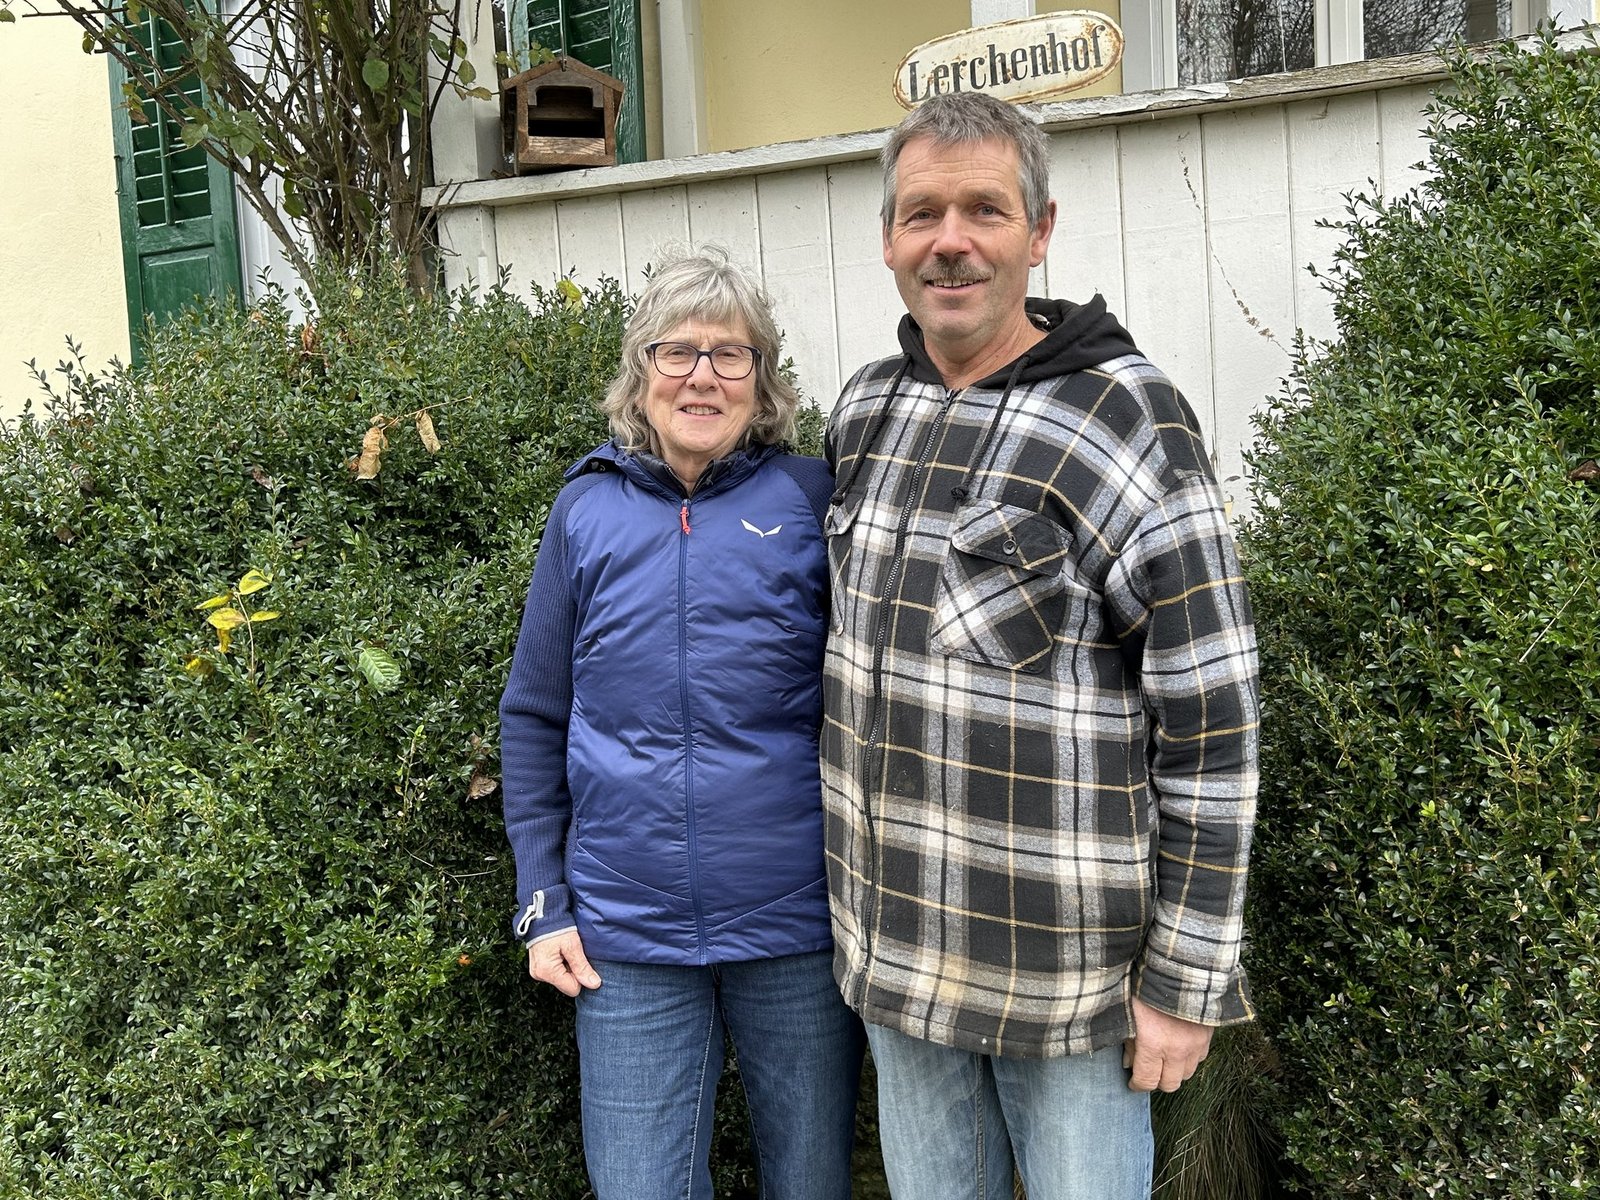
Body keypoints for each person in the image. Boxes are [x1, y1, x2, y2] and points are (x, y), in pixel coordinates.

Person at [820, 92, 1260, 1199]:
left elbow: (1212, 721)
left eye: (985, 209)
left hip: (1069, 986)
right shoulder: (866, 413)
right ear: (887, 240)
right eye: (922, 213)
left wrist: (1184, 980)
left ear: (1041, 230)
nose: (950, 241)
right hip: (897, 962)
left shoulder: (1125, 420)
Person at [499, 245, 863, 1200]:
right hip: (625, 934)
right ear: (642, 371)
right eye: (678, 351)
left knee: (812, 1183)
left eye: (730, 354)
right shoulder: (584, 510)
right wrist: (543, 898)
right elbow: (534, 714)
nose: (703, 375)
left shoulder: (810, 499)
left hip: (797, 923)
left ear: (762, 379)